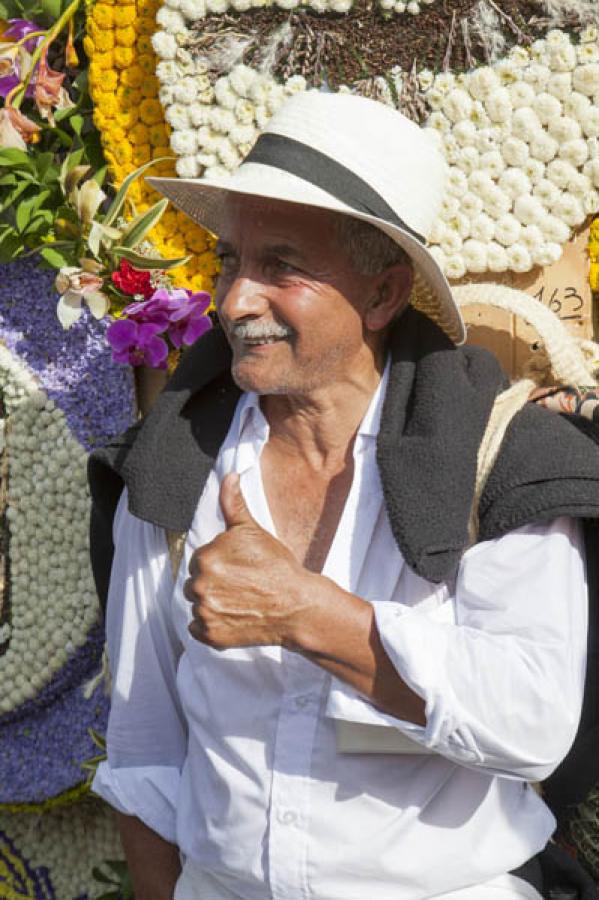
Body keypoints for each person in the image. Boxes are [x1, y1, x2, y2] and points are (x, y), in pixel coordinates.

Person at [89, 91, 599, 900]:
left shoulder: (500, 459)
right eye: (229, 261)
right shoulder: (176, 465)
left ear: (382, 295)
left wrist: (306, 614)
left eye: (281, 266)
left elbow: (529, 722)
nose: (233, 302)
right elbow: (146, 747)